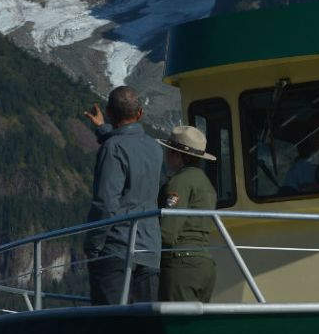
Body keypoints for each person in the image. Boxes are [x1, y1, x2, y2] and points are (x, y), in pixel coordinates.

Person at [82, 86, 163, 305]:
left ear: (109, 112)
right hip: (150, 250)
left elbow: (106, 204)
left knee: (112, 328)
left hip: (116, 249)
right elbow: (129, 141)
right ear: (140, 114)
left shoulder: (112, 148)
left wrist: (93, 245)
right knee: (143, 329)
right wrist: (102, 129)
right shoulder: (155, 148)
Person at [155, 126, 217, 302]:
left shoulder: (179, 182)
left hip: (181, 265)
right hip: (205, 264)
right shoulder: (207, 185)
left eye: (169, 151)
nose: (166, 155)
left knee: (175, 325)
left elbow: (167, 232)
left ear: (178, 155)